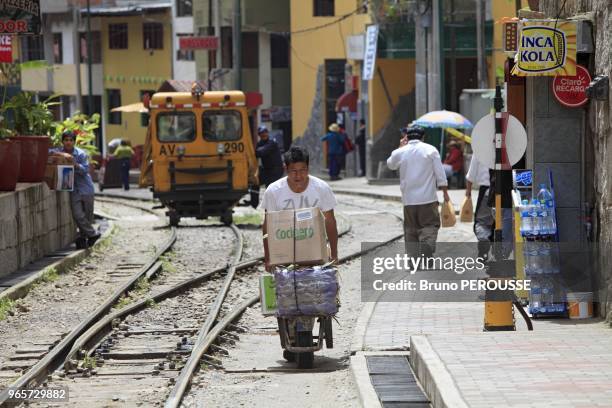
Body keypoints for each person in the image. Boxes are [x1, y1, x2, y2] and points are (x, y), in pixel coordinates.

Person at [260, 146, 339, 271]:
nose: (298, 176)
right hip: (284, 254)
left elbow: (330, 221)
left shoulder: (321, 188)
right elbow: (267, 225)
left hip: (315, 253)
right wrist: (268, 257)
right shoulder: (273, 191)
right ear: (285, 169)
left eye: (302, 170)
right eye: (293, 171)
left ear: (308, 168)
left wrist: (334, 254)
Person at [386, 124, 450, 258]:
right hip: (428, 199)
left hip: (409, 200)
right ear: (423, 136)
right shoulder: (431, 150)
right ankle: (426, 246)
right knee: (429, 225)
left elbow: (390, 164)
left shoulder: (400, 152)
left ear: (406, 137)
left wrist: (400, 147)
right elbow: (440, 174)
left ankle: (413, 258)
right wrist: (445, 193)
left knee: (411, 230)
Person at [51, 131, 100, 249]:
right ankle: (93, 234)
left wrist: (75, 164)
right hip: (73, 189)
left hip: (86, 188)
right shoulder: (59, 152)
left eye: (71, 140)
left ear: (74, 142)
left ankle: (83, 239)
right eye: (66, 140)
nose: (68, 142)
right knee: (77, 215)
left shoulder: (81, 154)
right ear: (62, 141)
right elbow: (48, 153)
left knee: (87, 216)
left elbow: (85, 170)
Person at [465, 156, 493, 260]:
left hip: (486, 190)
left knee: (482, 222)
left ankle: (484, 247)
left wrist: (468, 192)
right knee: (502, 222)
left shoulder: (479, 149)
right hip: (506, 190)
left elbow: (470, 176)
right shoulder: (509, 146)